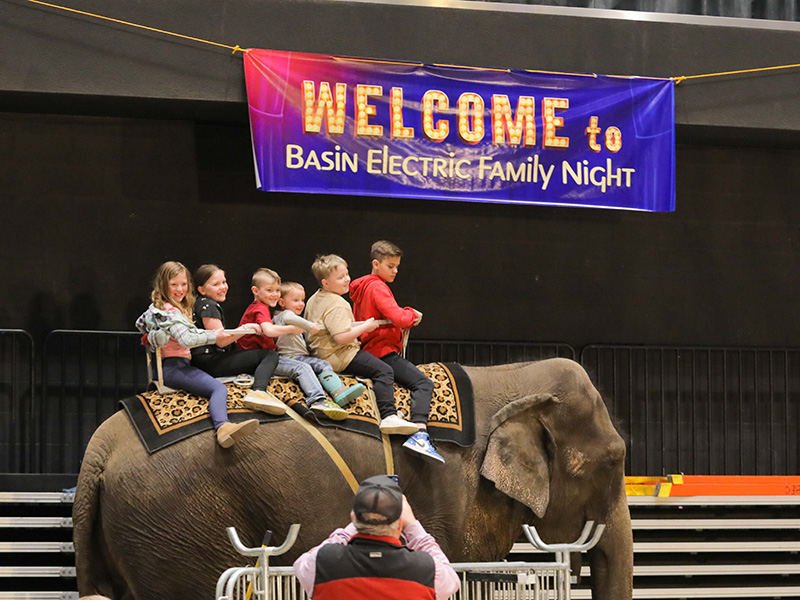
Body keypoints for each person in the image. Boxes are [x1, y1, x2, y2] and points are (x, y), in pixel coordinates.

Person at [135, 261, 260, 448]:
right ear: (163, 284)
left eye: (184, 284)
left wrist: (152, 336)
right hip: (174, 367)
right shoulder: (170, 312)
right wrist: (213, 336)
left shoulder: (160, 308)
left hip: (177, 365)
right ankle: (223, 428)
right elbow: (186, 339)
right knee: (219, 389)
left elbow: (140, 324)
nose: (180, 289)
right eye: (174, 284)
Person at [293, 475, 460, 600]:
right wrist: (413, 526)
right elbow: (452, 581)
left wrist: (352, 527)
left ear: (353, 518)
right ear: (400, 523)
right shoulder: (428, 570)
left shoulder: (321, 563)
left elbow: (300, 565)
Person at [349, 241, 443, 463]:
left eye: (397, 266)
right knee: (424, 384)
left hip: (369, 349)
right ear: (376, 264)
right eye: (390, 266)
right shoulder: (377, 287)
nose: (395, 271)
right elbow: (400, 318)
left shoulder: (361, 288)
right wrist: (411, 314)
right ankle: (420, 433)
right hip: (382, 350)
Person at [304, 254, 417, 435]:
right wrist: (366, 326)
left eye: (346, 274)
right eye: (340, 277)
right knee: (385, 370)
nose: (347, 279)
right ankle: (389, 415)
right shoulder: (337, 303)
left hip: (320, 354)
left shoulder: (314, 298)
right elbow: (341, 337)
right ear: (326, 283)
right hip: (340, 355)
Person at [237, 268, 349, 420]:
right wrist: (302, 327)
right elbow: (269, 330)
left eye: (277, 290)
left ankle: (337, 391)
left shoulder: (264, 309)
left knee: (317, 364)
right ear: (255, 291)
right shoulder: (262, 309)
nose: (275, 294)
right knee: (302, 367)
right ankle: (318, 400)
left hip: (267, 357)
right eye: (269, 290)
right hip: (263, 359)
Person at [190, 264, 286, 415]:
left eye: (224, 282)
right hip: (209, 362)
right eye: (216, 284)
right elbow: (220, 341)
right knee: (269, 355)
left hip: (206, 360)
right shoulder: (208, 305)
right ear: (202, 290)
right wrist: (247, 328)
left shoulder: (202, 304)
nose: (223, 287)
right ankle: (259, 392)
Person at [274, 281, 366, 406]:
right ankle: (334, 392)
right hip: (291, 358)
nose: (301, 304)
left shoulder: (286, 317)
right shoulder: (284, 314)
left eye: (302, 300)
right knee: (320, 365)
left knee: (322, 365)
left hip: (299, 357)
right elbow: (290, 318)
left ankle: (337, 390)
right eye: (296, 300)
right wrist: (310, 325)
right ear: (282, 302)